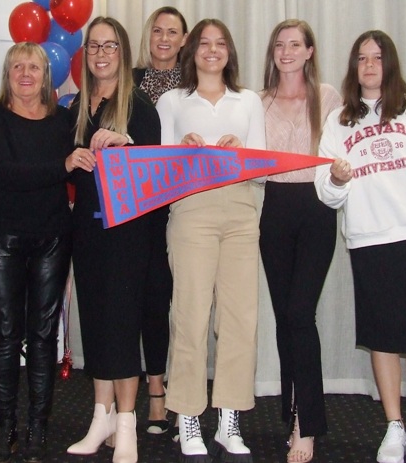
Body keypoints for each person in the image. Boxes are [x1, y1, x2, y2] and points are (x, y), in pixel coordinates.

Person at [315, 30, 406, 463]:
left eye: (377, 58)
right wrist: (337, 178)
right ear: (354, 67)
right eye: (361, 59)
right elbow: (326, 193)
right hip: (369, 239)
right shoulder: (338, 122)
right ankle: (394, 427)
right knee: (383, 339)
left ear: (390, 64)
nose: (369, 66)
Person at [156, 18, 266, 463]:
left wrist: (239, 150)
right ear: (192, 50)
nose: (212, 50)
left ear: (230, 53)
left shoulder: (249, 100)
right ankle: (186, 416)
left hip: (241, 211)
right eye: (204, 43)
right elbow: (157, 170)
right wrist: (182, 149)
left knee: (240, 319)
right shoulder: (171, 100)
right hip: (192, 209)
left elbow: (260, 165)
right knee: (190, 315)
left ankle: (229, 417)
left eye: (221, 44)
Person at [65, 17, 161, 463]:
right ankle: (101, 417)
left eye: (110, 46)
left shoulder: (140, 106)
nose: (101, 54)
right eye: (93, 46)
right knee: (98, 324)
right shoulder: (75, 107)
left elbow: (158, 171)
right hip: (86, 232)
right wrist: (69, 158)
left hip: (127, 233)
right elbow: (59, 168)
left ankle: (127, 424)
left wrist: (128, 143)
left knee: (122, 326)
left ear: (123, 53)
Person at [0, 41, 89, 463]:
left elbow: (85, 164)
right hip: (3, 239)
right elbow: (6, 175)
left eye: (34, 66)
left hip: (52, 238)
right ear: (7, 74)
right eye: (18, 66)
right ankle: (4, 425)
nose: (26, 74)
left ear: (46, 75)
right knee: (4, 334)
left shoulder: (63, 120)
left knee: (43, 335)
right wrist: (62, 166)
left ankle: (38, 426)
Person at [258, 19, 342, 463]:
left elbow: (365, 123)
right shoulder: (259, 101)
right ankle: (292, 409)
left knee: (299, 313)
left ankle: (307, 424)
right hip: (273, 209)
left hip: (315, 210)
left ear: (310, 51)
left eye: (295, 45)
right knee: (284, 316)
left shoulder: (328, 97)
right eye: (279, 45)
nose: (286, 51)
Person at [132, 6, 188, 436]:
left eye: (173, 32)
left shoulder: (195, 87)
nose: (164, 38)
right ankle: (118, 395)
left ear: (184, 40)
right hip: (123, 208)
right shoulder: (127, 81)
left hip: (172, 210)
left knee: (157, 301)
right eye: (158, 31)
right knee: (119, 305)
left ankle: (157, 390)